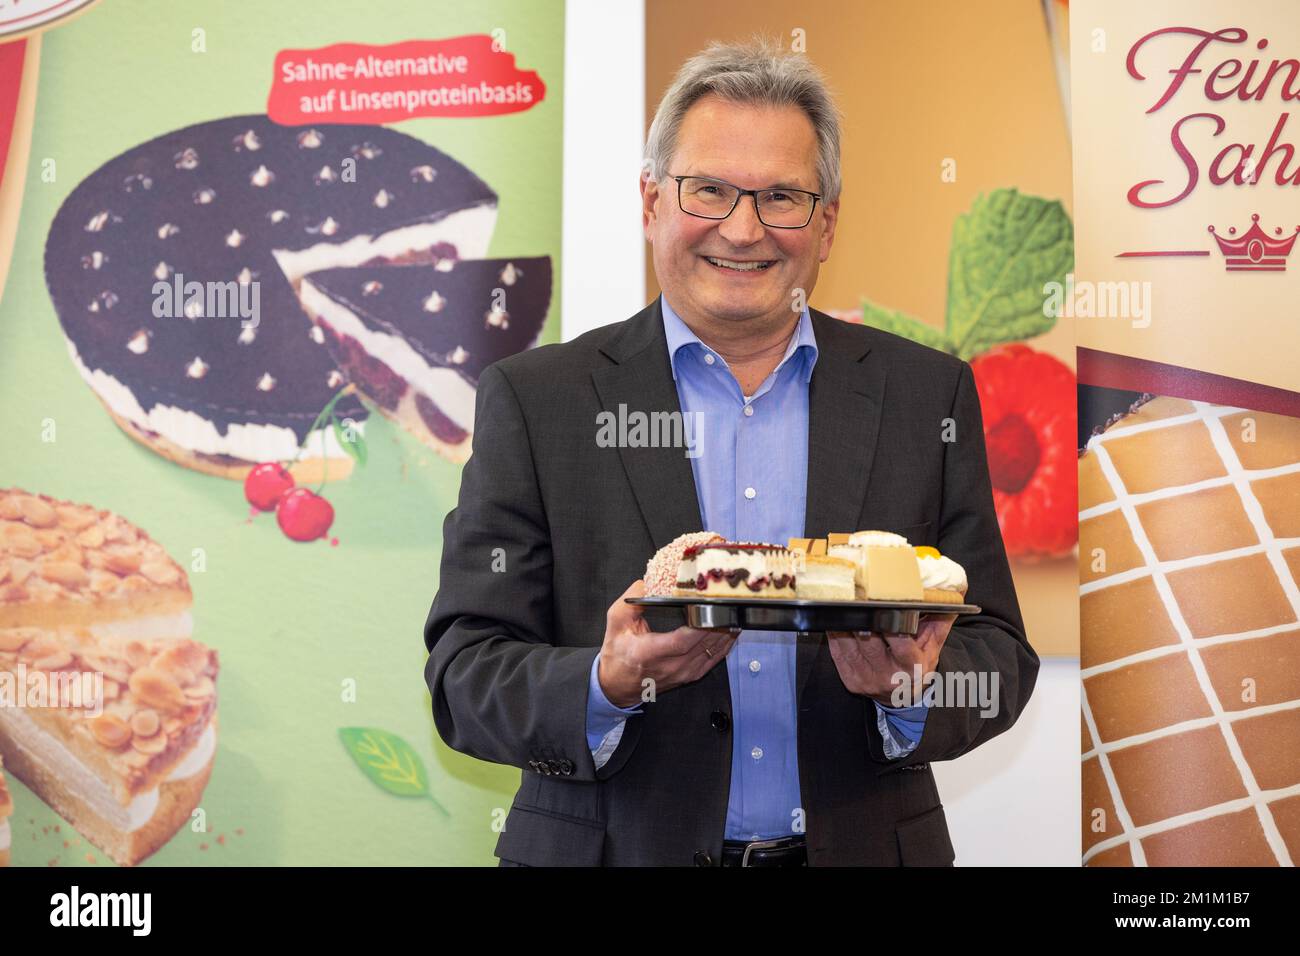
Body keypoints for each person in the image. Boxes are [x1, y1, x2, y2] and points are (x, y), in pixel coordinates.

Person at [424, 36, 1038, 866]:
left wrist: (912, 690)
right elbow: (466, 675)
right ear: (650, 203)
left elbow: (999, 654)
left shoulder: (925, 396)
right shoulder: (539, 401)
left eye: (782, 196)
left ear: (826, 225)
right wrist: (607, 681)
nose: (743, 230)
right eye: (709, 190)